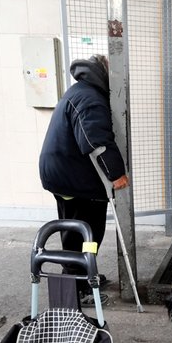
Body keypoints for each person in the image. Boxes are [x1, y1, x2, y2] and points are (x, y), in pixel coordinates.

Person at [39, 54, 129, 305]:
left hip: (64, 174)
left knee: (77, 230)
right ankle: (78, 288)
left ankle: (83, 276)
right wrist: (117, 174)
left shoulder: (80, 91)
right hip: (75, 179)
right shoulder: (91, 99)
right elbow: (95, 142)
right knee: (86, 233)